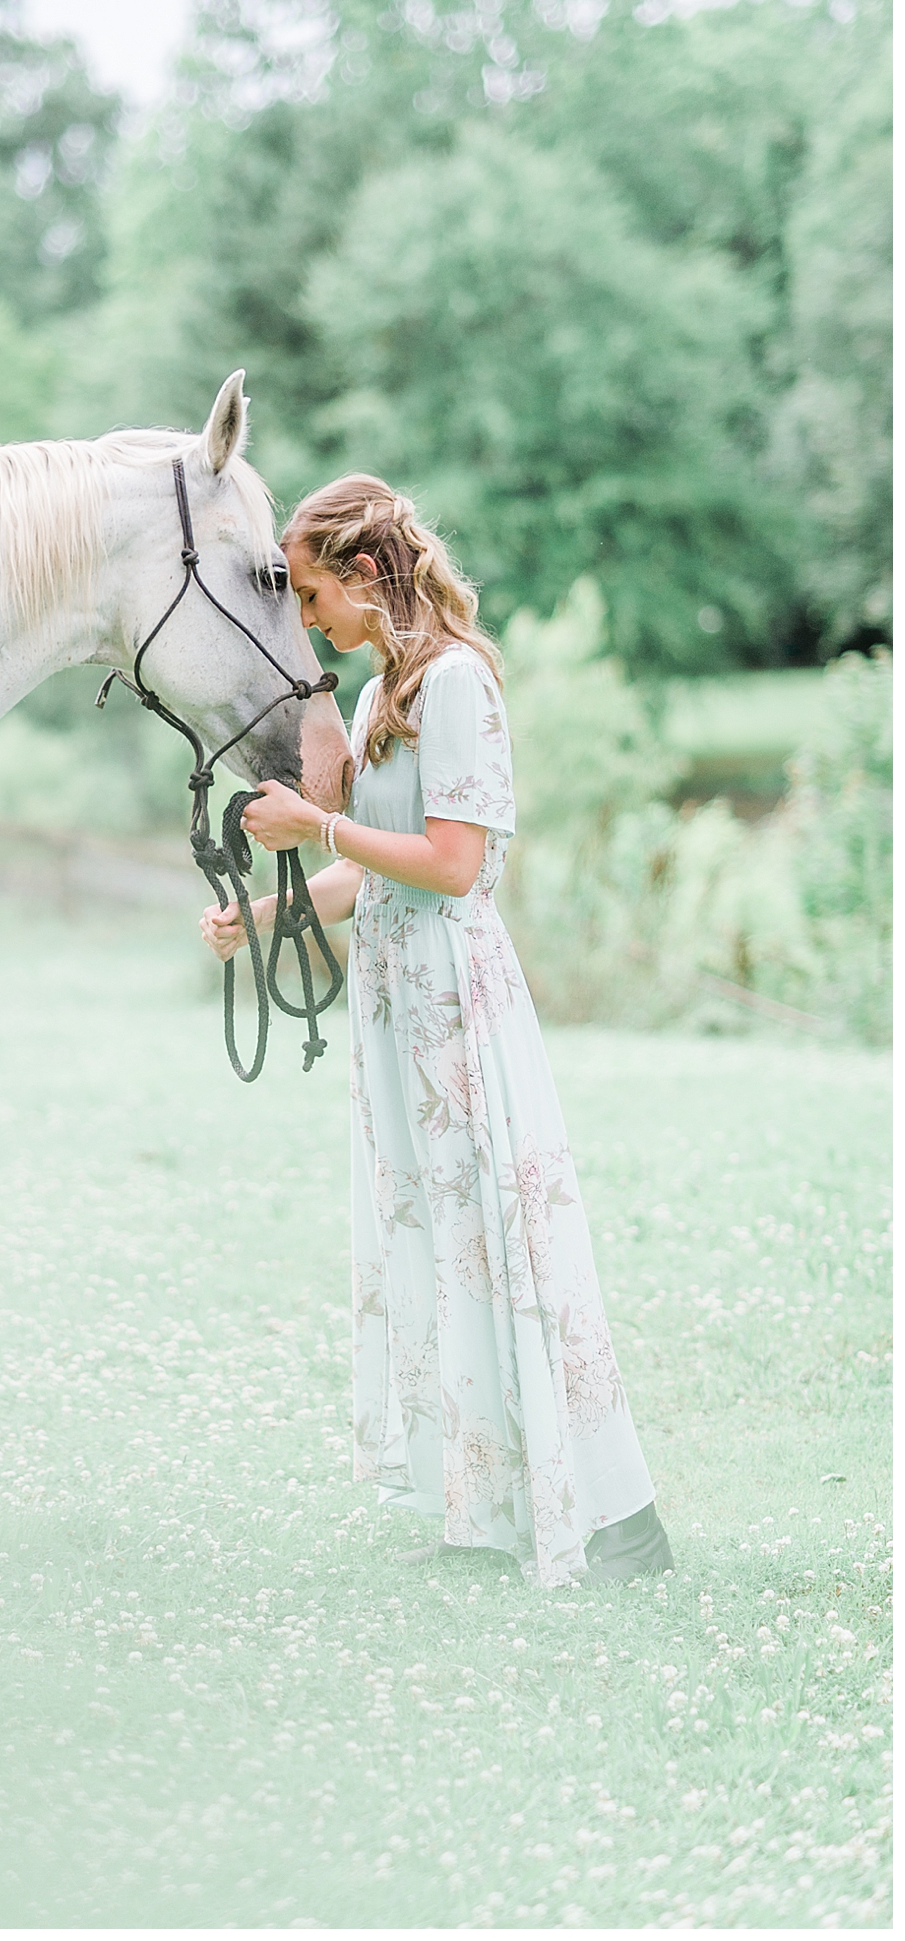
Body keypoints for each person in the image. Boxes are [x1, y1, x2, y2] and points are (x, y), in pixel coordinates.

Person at [199, 475, 674, 1589]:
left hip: (459, 1002)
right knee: (439, 1249)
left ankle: (617, 1518)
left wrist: (318, 822)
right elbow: (373, 871)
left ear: (366, 574)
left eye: (314, 594)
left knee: (507, 1245)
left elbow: (453, 868)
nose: (308, 621)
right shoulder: (377, 703)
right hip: (396, 1004)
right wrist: (261, 912)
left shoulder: (458, 684)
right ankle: (484, 1508)